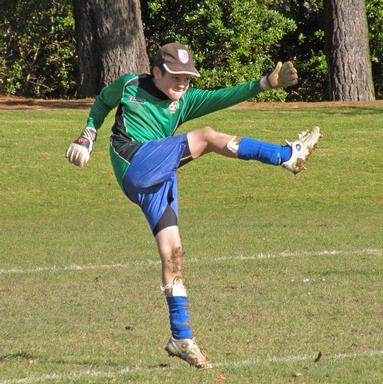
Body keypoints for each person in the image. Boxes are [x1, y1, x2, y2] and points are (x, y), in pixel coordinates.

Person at [66, 42, 321, 369]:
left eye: (188, 78)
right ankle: (288, 156)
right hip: (134, 162)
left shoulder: (184, 101)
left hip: (159, 177)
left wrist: (265, 84)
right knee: (206, 137)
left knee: (172, 252)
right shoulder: (129, 85)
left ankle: (181, 337)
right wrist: (87, 135)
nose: (183, 84)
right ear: (156, 72)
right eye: (175, 77)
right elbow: (102, 101)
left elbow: (222, 96)